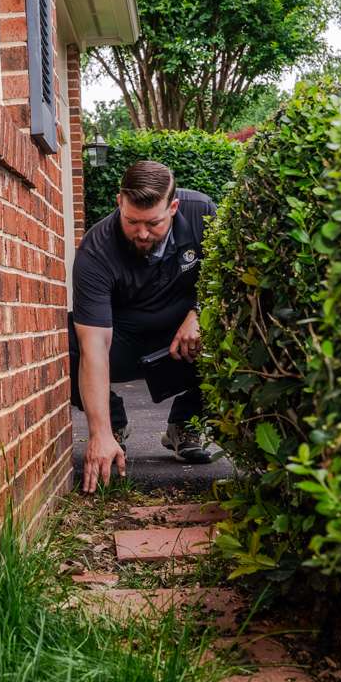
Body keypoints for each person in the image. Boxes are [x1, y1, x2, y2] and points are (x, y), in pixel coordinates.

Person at [70, 160, 216, 493]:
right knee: (66, 344)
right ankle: (113, 428)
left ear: (174, 207)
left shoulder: (202, 212)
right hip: (125, 339)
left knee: (232, 329)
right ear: (119, 202)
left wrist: (199, 312)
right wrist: (98, 431)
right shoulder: (96, 249)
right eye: (132, 221)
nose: (142, 233)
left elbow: (229, 276)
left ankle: (186, 423)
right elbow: (94, 345)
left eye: (153, 223)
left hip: (184, 335)